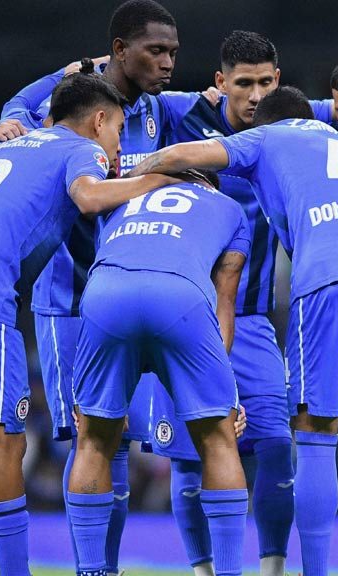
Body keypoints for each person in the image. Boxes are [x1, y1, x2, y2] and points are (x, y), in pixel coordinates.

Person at [0, 3, 183, 572]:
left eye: (173, 53)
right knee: (76, 436)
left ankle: (88, 565)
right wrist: (9, 120)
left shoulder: (164, 108)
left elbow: (239, 114)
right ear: (118, 50)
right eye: (156, 52)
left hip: (122, 292)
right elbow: (8, 119)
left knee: (104, 437)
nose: (168, 64)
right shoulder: (64, 97)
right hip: (66, 297)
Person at [131, 86, 338, 576]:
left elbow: (186, 153)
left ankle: (316, 572)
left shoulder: (265, 139)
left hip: (328, 277)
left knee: (316, 432)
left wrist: (130, 170)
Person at [145, 31, 296, 576]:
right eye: (243, 83)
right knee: (190, 458)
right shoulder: (187, 126)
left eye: (264, 82)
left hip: (253, 320)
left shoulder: (290, 133)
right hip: (186, 320)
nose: (255, 94)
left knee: (277, 444)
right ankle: (202, 571)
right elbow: (109, 91)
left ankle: (273, 567)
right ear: (220, 84)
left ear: (277, 82)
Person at [68, 170, 250, 576]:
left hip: (105, 295)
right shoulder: (229, 209)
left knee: (93, 440)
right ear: (209, 183)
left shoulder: (123, 199)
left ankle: (93, 569)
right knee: (219, 442)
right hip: (180, 297)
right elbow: (225, 298)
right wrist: (224, 396)